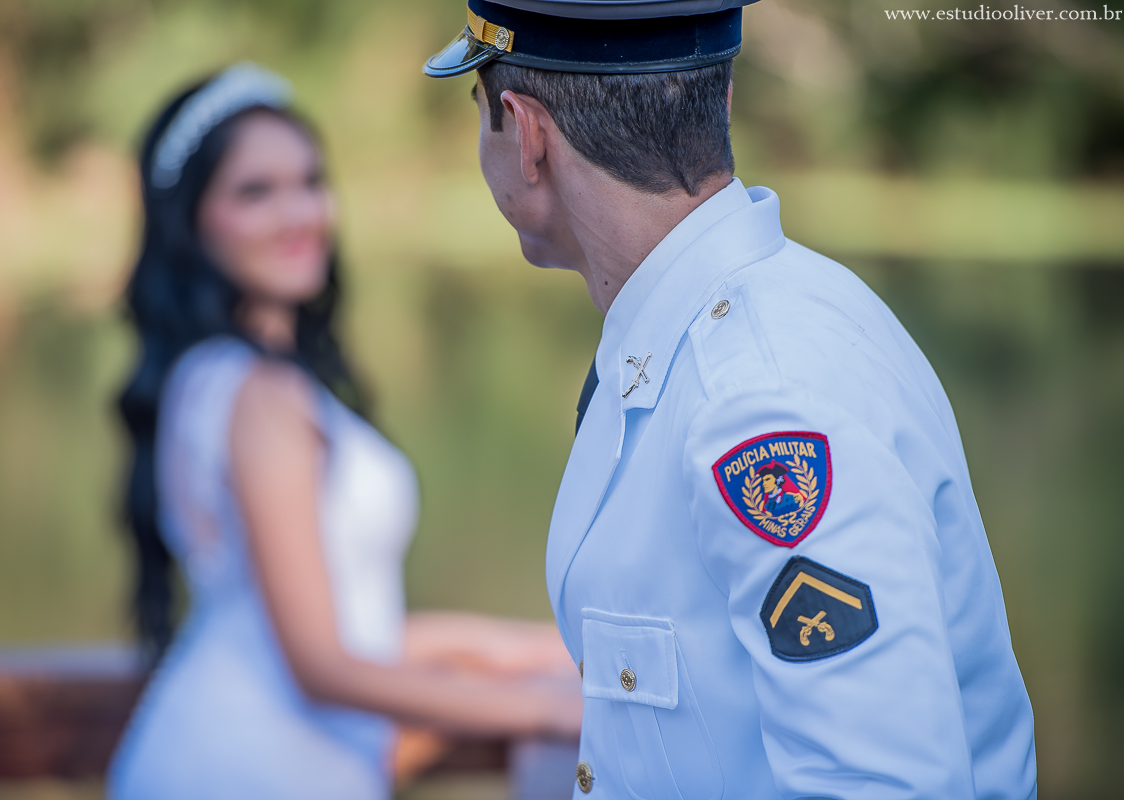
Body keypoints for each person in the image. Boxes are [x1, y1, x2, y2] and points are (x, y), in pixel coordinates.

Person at [423, 2, 1037, 797]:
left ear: (528, 133)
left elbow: (881, 782)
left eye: (479, 108)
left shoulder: (757, 397)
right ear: (722, 102)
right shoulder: (704, 335)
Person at [109, 63, 581, 800]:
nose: (299, 213)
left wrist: (525, 651)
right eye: (255, 192)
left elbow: (350, 628)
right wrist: (554, 709)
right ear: (191, 220)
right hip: (249, 772)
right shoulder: (258, 396)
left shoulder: (212, 377)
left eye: (309, 181)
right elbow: (322, 665)